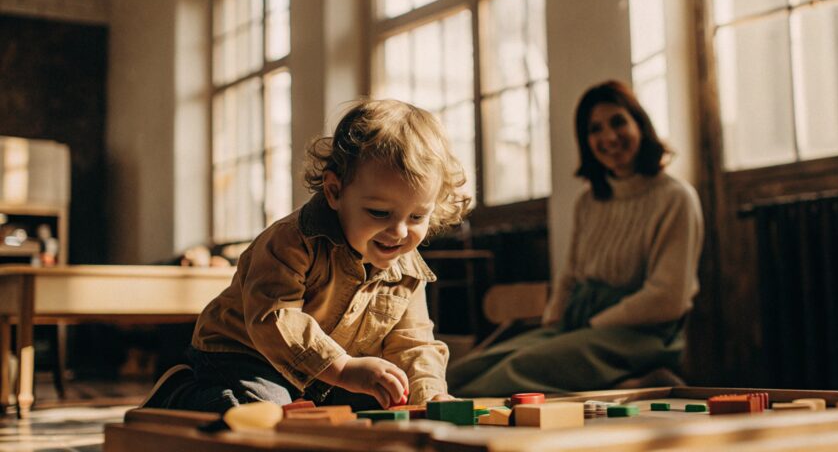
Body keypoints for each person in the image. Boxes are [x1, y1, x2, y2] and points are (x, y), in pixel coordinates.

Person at [142, 99, 471, 412]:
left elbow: (413, 342)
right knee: (266, 412)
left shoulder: (407, 271)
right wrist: (341, 368)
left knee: (378, 402)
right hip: (244, 354)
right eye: (379, 212)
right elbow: (274, 317)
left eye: (416, 217)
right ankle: (181, 392)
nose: (399, 231)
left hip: (325, 372)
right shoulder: (290, 241)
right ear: (334, 191)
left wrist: (430, 395)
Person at [447, 80, 703, 396]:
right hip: (576, 323)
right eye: (595, 129)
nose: (608, 137)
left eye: (618, 122)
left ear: (640, 124)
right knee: (466, 371)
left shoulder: (676, 198)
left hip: (639, 333)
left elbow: (668, 297)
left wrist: (594, 323)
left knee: (511, 375)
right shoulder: (589, 201)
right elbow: (570, 272)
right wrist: (554, 321)